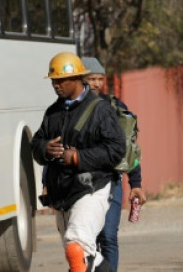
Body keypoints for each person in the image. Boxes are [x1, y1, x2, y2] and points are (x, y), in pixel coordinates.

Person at [32, 52, 126, 272]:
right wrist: (45, 148)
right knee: (84, 255)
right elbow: (35, 144)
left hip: (92, 189)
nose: (55, 85)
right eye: (53, 81)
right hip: (63, 194)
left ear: (76, 79)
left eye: (60, 80)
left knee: (77, 248)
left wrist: (78, 158)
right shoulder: (53, 112)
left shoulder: (100, 110)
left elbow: (116, 150)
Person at [81, 56, 146, 272]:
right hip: (82, 183)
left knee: (108, 237)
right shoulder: (70, 109)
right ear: (81, 79)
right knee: (85, 239)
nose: (96, 84)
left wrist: (135, 183)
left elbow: (129, 147)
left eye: (100, 79)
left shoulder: (115, 107)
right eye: (91, 79)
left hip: (111, 181)